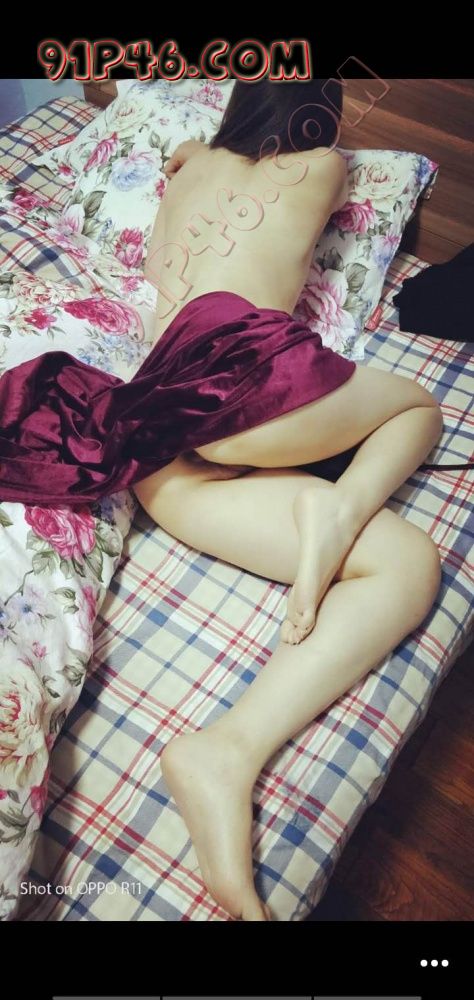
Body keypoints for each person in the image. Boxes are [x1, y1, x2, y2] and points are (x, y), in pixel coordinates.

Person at [0, 79, 443, 921]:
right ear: (318, 117)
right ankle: (340, 507)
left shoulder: (191, 164)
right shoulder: (324, 164)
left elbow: (196, 150)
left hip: (151, 427)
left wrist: (194, 145)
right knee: (420, 409)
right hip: (248, 374)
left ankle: (225, 752)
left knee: (406, 565)